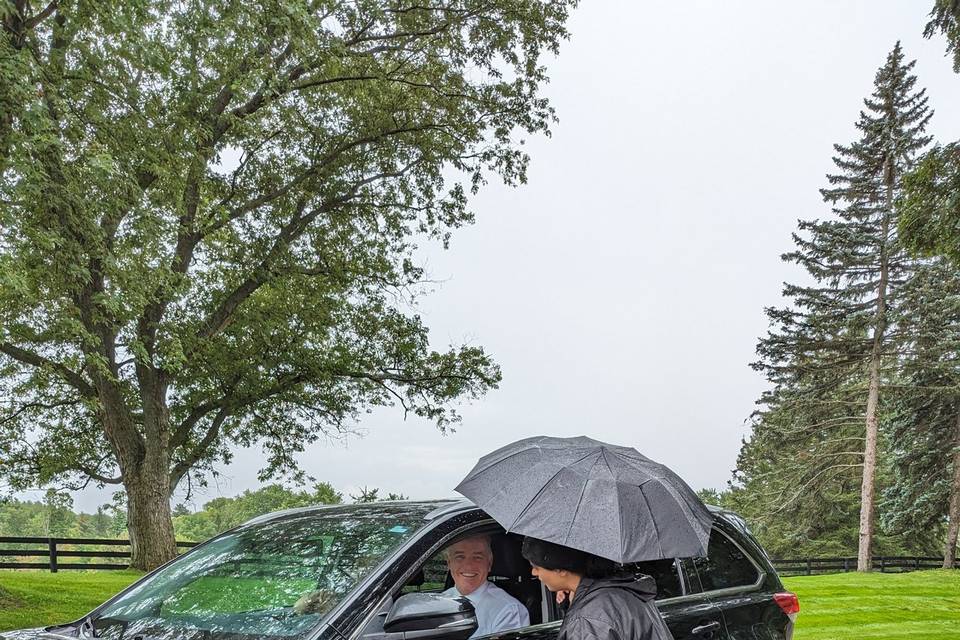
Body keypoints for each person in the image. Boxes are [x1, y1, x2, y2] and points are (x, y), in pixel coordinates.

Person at [521, 537, 674, 640]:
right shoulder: (625, 589)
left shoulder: (589, 620)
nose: (534, 572)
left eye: (537, 567)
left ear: (561, 570)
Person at [441, 534, 530, 637]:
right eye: (460, 557)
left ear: (489, 564)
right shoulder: (439, 602)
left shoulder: (509, 610)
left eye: (477, 557)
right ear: (449, 563)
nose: (469, 566)